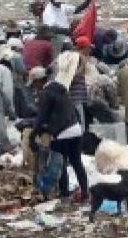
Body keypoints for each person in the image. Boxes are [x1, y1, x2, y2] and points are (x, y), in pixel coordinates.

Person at [36, 52, 91, 202]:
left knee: (61, 163)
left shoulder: (46, 93)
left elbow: (42, 116)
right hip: (76, 129)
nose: (35, 87)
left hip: (62, 133)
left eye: (35, 83)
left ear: (39, 81)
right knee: (77, 162)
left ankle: (65, 193)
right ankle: (85, 192)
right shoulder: (62, 88)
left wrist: (37, 131)